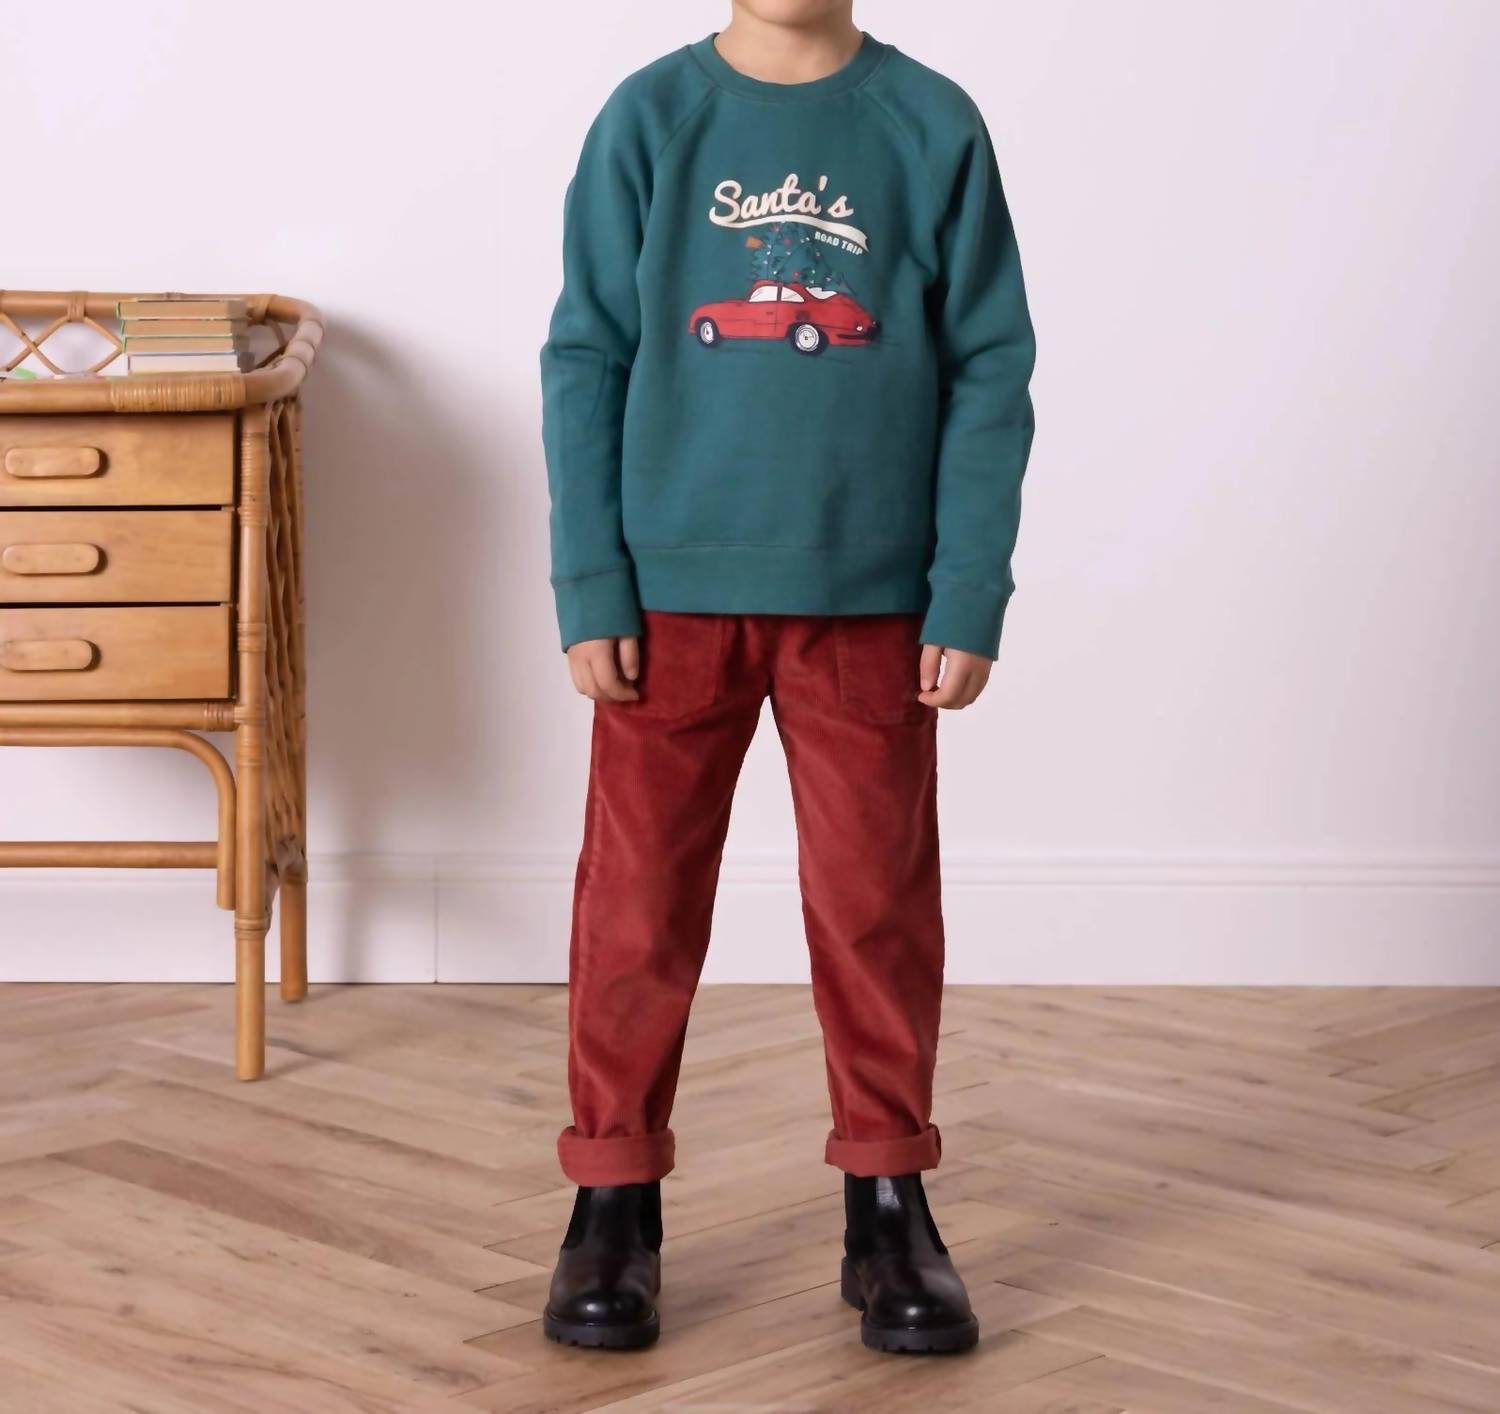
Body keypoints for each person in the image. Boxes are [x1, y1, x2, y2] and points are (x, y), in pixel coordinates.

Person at [538, 0, 1034, 1354]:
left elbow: (991, 367)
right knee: (636, 905)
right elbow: (587, 352)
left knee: (875, 904)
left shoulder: (930, 124)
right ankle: (612, 1201)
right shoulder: (652, 118)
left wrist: (967, 584)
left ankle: (889, 1203)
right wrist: (589, 578)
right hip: (668, 601)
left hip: (871, 604)